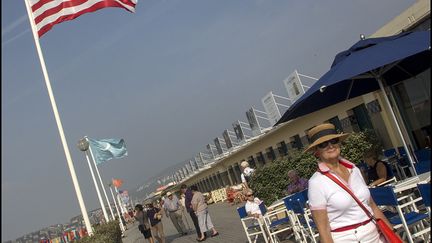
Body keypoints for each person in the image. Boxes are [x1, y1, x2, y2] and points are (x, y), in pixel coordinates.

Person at [306, 123, 392, 242]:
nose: (330, 146)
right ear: (317, 152)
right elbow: (324, 229)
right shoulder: (317, 182)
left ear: (339, 143)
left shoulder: (354, 170)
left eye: (334, 140)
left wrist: (393, 233)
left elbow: (372, 206)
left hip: (375, 236)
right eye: (323, 144)